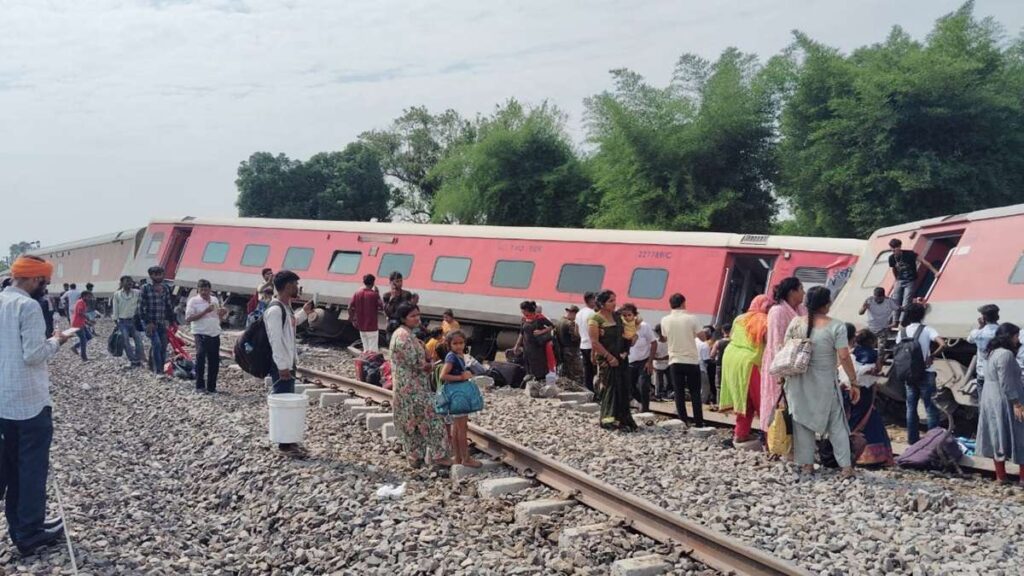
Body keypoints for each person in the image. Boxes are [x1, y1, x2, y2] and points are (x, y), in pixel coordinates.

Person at [0, 255, 72, 555]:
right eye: (44, 281)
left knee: (13, 468)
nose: (46, 287)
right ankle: (29, 533)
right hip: (29, 402)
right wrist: (58, 341)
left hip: (3, 401)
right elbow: (33, 354)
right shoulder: (28, 307)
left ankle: (20, 527)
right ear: (32, 279)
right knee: (31, 470)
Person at [783, 286, 860, 478]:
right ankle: (846, 468)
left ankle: (807, 465)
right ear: (827, 304)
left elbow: (785, 350)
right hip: (825, 383)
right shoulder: (837, 326)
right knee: (837, 424)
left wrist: (781, 379)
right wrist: (853, 382)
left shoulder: (795, 322)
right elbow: (844, 356)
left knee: (802, 422)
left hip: (798, 381)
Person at [389, 303, 451, 467]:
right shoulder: (403, 337)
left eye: (418, 314)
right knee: (433, 418)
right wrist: (431, 365)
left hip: (409, 388)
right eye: (413, 316)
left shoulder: (405, 334)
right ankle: (440, 456)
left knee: (412, 421)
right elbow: (416, 364)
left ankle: (415, 457)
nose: (417, 318)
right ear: (403, 318)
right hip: (412, 389)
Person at [264, 270, 315, 456]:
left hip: (287, 363)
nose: (297, 287)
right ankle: (284, 445)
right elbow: (275, 340)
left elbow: (291, 325)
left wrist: (304, 313)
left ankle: (289, 441)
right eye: (294, 284)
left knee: (287, 400)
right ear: (286, 286)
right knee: (283, 403)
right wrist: (282, 366)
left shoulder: (286, 308)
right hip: (282, 365)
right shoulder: (275, 310)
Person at [975, 323, 1024, 484]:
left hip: (990, 397)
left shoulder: (991, 353)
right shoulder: (1006, 355)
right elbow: (1006, 382)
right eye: (1016, 336)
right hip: (1005, 399)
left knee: (997, 435)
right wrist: (1017, 403)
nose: (1018, 339)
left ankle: (1001, 476)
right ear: (1009, 337)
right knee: (1019, 435)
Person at [719, 296, 770, 444]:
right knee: (762, 401)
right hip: (751, 362)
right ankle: (769, 439)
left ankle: (740, 434)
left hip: (732, 359)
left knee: (743, 400)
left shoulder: (739, 318)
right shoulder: (764, 320)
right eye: (768, 306)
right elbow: (768, 342)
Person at [840, 327, 894, 467]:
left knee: (852, 421)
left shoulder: (850, 353)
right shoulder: (871, 355)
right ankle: (872, 457)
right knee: (868, 422)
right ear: (871, 341)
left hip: (849, 392)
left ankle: (851, 454)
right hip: (864, 393)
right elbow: (869, 372)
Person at [895, 302, 946, 444]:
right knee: (930, 408)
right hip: (926, 372)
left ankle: (912, 440)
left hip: (909, 374)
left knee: (911, 408)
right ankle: (932, 442)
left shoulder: (902, 332)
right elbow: (943, 344)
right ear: (922, 315)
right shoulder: (928, 330)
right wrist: (932, 356)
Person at [760, 278, 806, 432]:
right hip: (781, 364)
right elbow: (775, 342)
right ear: (792, 292)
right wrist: (781, 372)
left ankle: (791, 440)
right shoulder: (777, 311)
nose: (804, 293)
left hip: (799, 365)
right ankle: (774, 438)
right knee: (778, 401)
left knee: (794, 405)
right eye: (801, 289)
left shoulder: (802, 310)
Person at [589, 290, 637, 431]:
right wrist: (609, 357)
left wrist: (633, 338)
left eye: (615, 300)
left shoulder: (618, 317)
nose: (614, 303)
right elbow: (595, 342)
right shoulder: (595, 320)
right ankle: (607, 419)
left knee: (623, 387)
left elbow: (628, 332)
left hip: (621, 358)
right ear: (602, 304)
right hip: (607, 360)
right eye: (610, 301)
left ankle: (623, 418)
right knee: (610, 388)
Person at [438, 330, 479, 467]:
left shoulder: (457, 355)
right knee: (462, 428)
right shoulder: (452, 357)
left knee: (457, 428)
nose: (459, 346)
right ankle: (466, 458)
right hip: (458, 395)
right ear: (449, 344)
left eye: (461, 343)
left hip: (457, 395)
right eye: (455, 343)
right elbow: (443, 376)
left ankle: (457, 458)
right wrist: (461, 377)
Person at [661, 293, 703, 427]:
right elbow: (702, 337)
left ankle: (683, 420)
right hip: (691, 361)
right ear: (683, 303)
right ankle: (699, 422)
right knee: (695, 392)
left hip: (674, 360)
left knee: (678, 392)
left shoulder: (665, 320)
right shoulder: (692, 319)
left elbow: (665, 336)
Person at [185, 279, 228, 393]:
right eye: (202, 290)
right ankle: (199, 386)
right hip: (200, 332)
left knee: (214, 360)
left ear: (210, 290)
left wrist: (223, 314)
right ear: (198, 290)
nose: (204, 292)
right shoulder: (193, 301)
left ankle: (212, 387)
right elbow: (188, 318)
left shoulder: (214, 299)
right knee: (200, 357)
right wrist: (205, 311)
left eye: (206, 290)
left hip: (214, 332)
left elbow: (219, 317)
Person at [888, 239, 939, 324]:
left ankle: (902, 321)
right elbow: (894, 269)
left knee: (906, 300)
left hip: (910, 280)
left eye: (895, 248)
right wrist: (896, 279)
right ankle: (894, 320)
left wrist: (935, 271)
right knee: (895, 299)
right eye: (891, 249)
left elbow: (923, 261)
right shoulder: (891, 258)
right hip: (899, 280)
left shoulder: (909, 254)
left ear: (899, 247)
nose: (893, 251)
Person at [139, 266, 174, 376]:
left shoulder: (166, 288)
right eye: (156, 274)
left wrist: (173, 320)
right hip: (150, 322)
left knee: (163, 345)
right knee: (157, 344)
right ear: (151, 275)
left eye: (160, 274)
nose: (158, 276)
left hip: (161, 322)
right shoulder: (145, 288)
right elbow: (141, 307)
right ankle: (158, 371)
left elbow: (168, 305)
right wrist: (148, 322)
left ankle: (158, 366)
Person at [621, 303, 657, 412]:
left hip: (643, 361)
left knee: (643, 385)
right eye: (625, 315)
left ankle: (645, 410)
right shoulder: (622, 328)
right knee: (629, 386)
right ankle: (640, 402)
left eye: (629, 315)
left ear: (635, 315)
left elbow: (654, 343)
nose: (627, 317)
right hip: (630, 361)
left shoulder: (644, 327)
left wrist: (650, 362)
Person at [514, 301, 553, 381]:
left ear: (527, 310)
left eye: (523, 310)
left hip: (537, 347)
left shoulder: (539, 318)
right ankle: (529, 378)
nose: (521, 312)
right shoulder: (524, 319)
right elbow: (522, 333)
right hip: (527, 346)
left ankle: (540, 380)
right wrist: (517, 345)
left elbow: (551, 326)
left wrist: (541, 332)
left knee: (538, 365)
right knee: (527, 362)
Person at [968, 304, 1000, 396]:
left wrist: (981, 326)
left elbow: (970, 340)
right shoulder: (1003, 332)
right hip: (997, 374)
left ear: (983, 318)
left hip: (982, 372)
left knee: (982, 403)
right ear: (997, 317)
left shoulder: (977, 333)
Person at [112, 276, 144, 368]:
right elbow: (115, 309)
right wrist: (116, 321)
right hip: (122, 322)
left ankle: (139, 358)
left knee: (139, 341)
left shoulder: (137, 293)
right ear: (122, 283)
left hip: (134, 321)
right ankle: (133, 360)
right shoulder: (117, 294)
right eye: (127, 281)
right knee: (125, 342)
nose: (130, 283)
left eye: (131, 281)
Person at [350, 274, 384, 353]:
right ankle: (370, 364)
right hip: (372, 327)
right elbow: (382, 306)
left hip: (361, 326)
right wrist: (378, 293)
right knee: (373, 350)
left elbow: (350, 307)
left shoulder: (357, 293)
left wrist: (352, 320)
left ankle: (364, 363)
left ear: (363, 282)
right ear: (373, 283)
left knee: (365, 349)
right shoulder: (374, 295)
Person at [555, 306, 583, 384]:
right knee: (575, 372)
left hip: (562, 349)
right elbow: (575, 337)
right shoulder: (570, 323)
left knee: (565, 371)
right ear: (573, 313)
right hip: (571, 351)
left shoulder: (559, 321)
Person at [577, 292, 598, 393]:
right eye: (595, 299)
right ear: (590, 300)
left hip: (583, 345)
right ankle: (597, 393)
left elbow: (576, 331)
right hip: (592, 346)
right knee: (596, 371)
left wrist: (583, 336)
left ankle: (589, 392)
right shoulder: (593, 314)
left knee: (587, 371)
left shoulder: (579, 313)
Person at [382, 271, 413, 339]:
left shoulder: (406, 294)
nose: (400, 283)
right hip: (391, 325)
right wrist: (391, 300)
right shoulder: (387, 296)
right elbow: (387, 312)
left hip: (403, 325)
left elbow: (410, 310)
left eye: (401, 281)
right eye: (397, 281)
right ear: (391, 282)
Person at [710, 324, 732, 407]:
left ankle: (720, 404)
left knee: (719, 385)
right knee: (730, 384)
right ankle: (730, 404)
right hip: (731, 366)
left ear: (723, 331)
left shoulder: (718, 342)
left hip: (720, 365)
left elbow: (712, 355)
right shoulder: (734, 342)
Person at [70, 291, 94, 361]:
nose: (89, 298)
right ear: (84, 296)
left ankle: (75, 347)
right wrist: (88, 318)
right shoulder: (80, 302)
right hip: (77, 324)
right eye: (88, 297)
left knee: (89, 337)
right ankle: (84, 357)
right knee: (83, 340)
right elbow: (80, 312)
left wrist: (87, 322)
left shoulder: (83, 302)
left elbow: (80, 315)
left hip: (81, 323)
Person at [652, 325, 670, 401]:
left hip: (667, 365)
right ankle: (658, 395)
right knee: (659, 382)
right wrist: (661, 358)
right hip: (658, 366)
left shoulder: (668, 342)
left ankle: (667, 394)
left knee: (669, 381)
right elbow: (651, 355)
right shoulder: (655, 342)